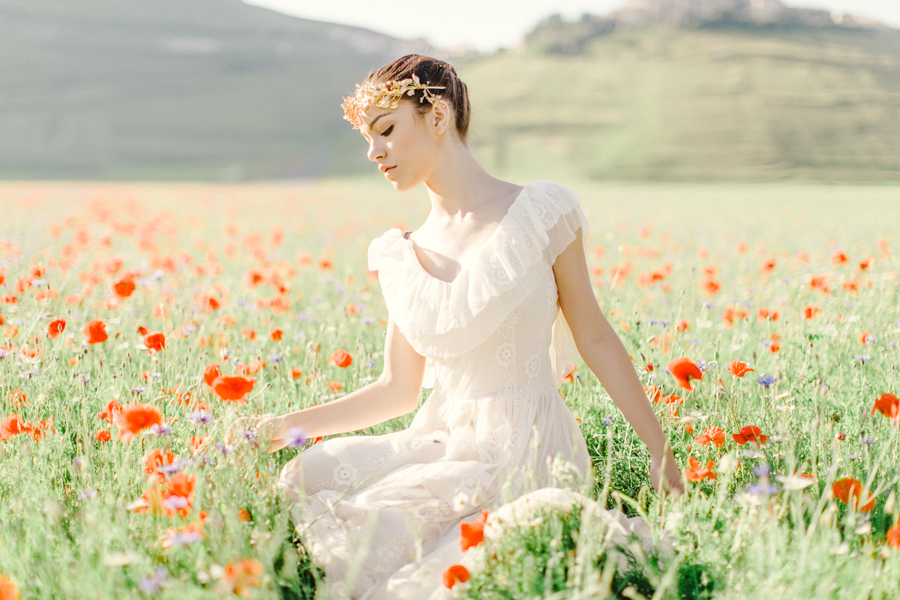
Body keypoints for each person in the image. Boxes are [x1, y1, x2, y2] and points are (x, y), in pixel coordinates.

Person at [227, 54, 683, 599]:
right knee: (305, 474)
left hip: (526, 442)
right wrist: (281, 426)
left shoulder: (540, 212)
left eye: (387, 130)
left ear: (437, 117)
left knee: (416, 548)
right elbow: (396, 390)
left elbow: (595, 337)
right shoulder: (401, 253)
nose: (374, 152)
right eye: (367, 139)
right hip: (442, 437)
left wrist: (660, 451)